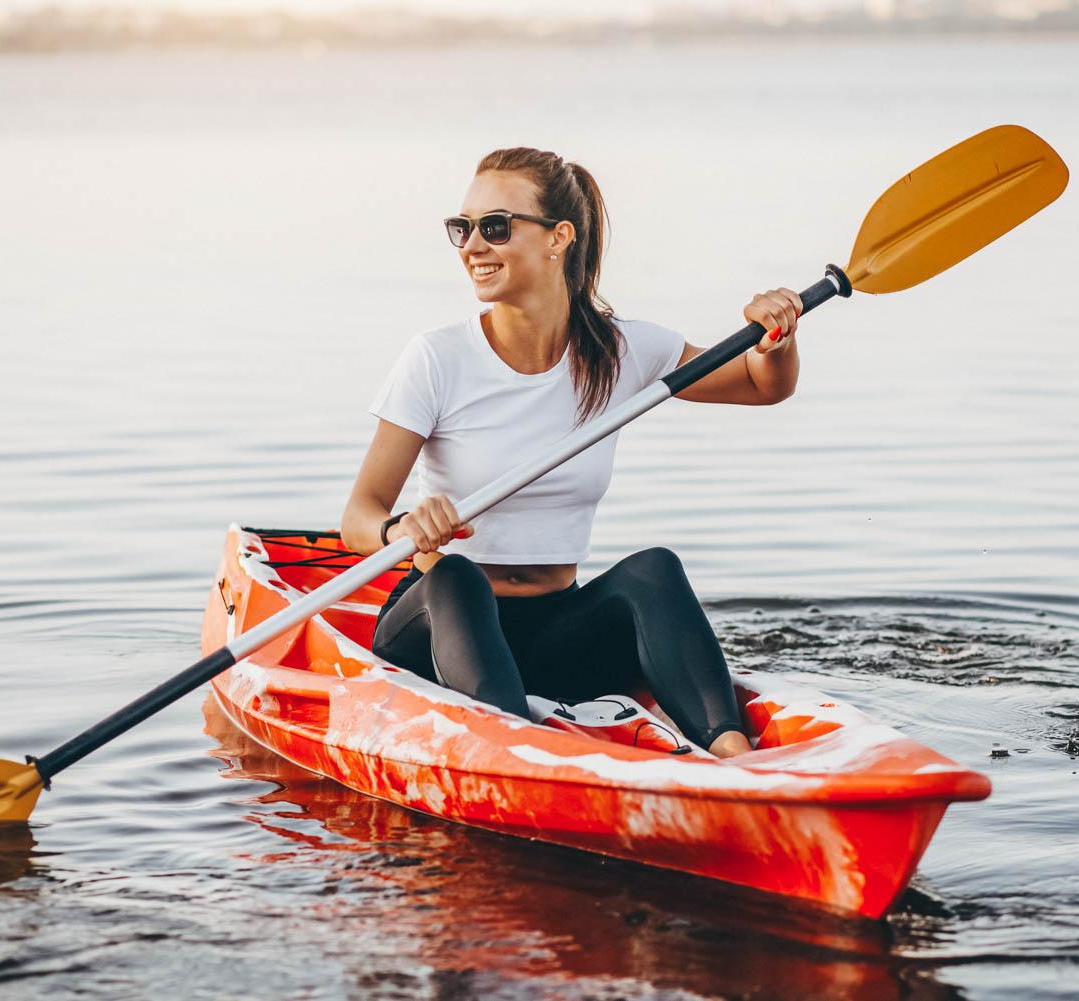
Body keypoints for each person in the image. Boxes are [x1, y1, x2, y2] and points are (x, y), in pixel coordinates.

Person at [340, 147, 802, 759]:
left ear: (559, 237)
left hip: (556, 637)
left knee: (653, 569)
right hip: (438, 628)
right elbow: (358, 518)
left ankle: (736, 761)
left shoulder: (620, 350)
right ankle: (514, 755)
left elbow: (761, 386)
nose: (472, 246)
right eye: (462, 228)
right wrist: (401, 527)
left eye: (495, 227)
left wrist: (776, 339)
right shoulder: (436, 359)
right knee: (456, 575)